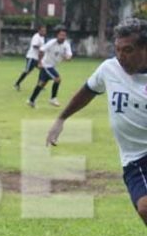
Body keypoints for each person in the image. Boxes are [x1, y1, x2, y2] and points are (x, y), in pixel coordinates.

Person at [46, 18, 147, 224]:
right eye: (117, 50)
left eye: (127, 50)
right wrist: (61, 119)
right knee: (145, 208)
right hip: (136, 158)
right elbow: (87, 91)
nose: (121, 57)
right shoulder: (109, 69)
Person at [26, 26, 72, 108]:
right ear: (57, 35)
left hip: (51, 65)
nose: (63, 37)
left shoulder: (66, 44)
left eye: (64, 35)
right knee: (57, 79)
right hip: (46, 65)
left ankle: (31, 100)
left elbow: (69, 55)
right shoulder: (51, 43)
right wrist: (39, 62)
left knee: (41, 84)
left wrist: (67, 57)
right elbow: (41, 50)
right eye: (61, 35)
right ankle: (53, 98)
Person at [14, 25, 47, 90]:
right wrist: (42, 48)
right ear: (39, 30)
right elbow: (34, 46)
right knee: (27, 71)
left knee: (43, 70)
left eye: (45, 31)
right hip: (32, 57)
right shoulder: (36, 37)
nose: (44, 32)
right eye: (42, 31)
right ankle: (17, 83)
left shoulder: (42, 37)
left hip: (38, 58)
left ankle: (39, 85)